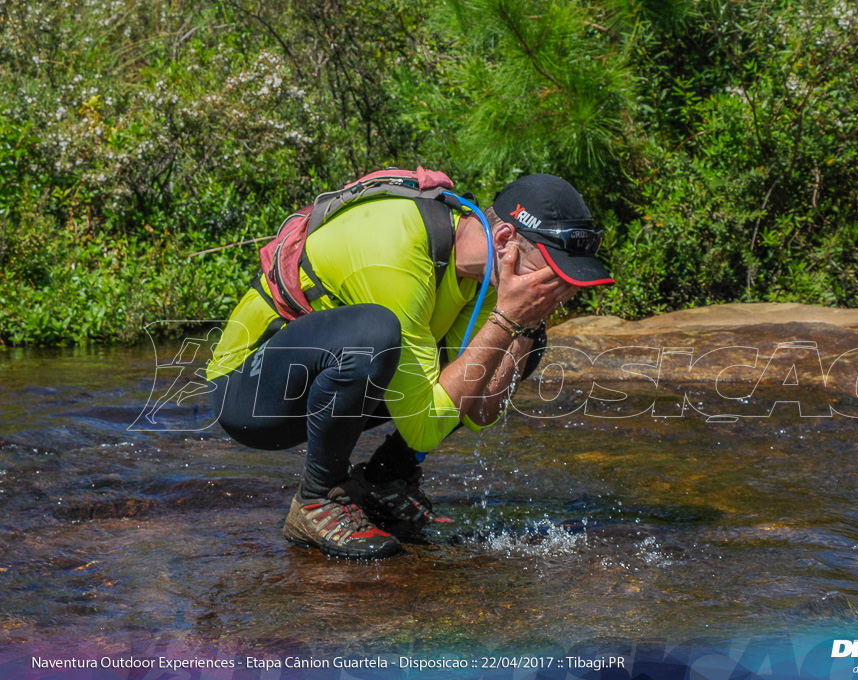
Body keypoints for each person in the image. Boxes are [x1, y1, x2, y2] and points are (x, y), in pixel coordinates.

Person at [205, 173, 614, 559]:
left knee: (519, 339)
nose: (556, 292)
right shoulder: (395, 251)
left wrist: (520, 325)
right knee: (376, 332)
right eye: (552, 274)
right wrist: (507, 319)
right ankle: (317, 498)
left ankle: (385, 479)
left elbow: (478, 411)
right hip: (250, 393)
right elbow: (425, 427)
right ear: (505, 238)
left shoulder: (487, 272)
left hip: (330, 384)